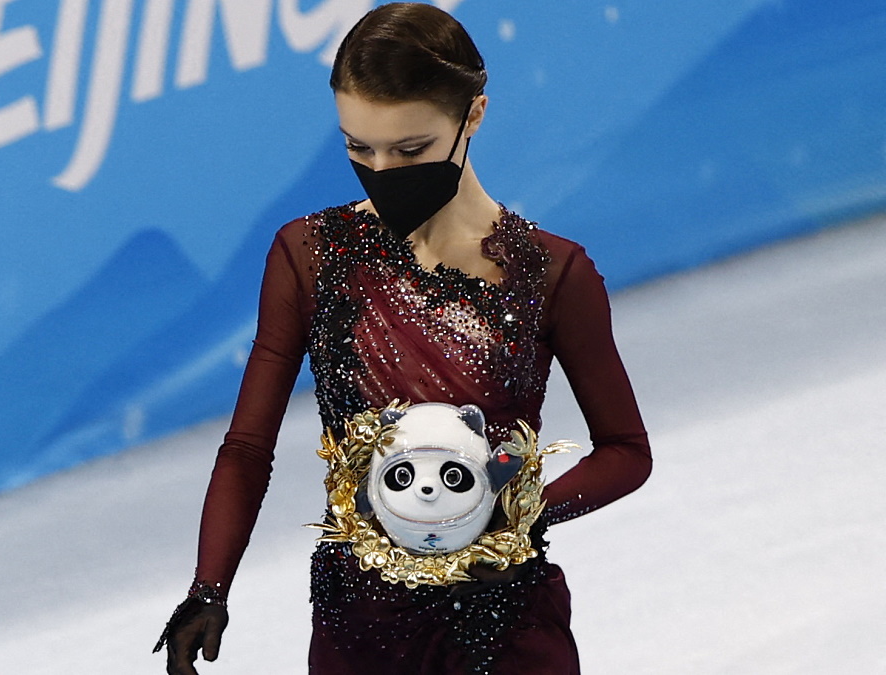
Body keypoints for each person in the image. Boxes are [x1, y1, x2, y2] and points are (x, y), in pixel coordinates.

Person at [155, 4, 651, 673]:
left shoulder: (551, 273)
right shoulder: (310, 256)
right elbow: (247, 447)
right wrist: (208, 586)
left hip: (503, 624)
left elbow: (626, 449)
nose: (383, 168)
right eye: (359, 148)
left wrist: (519, 520)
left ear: (472, 116)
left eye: (409, 149)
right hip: (362, 629)